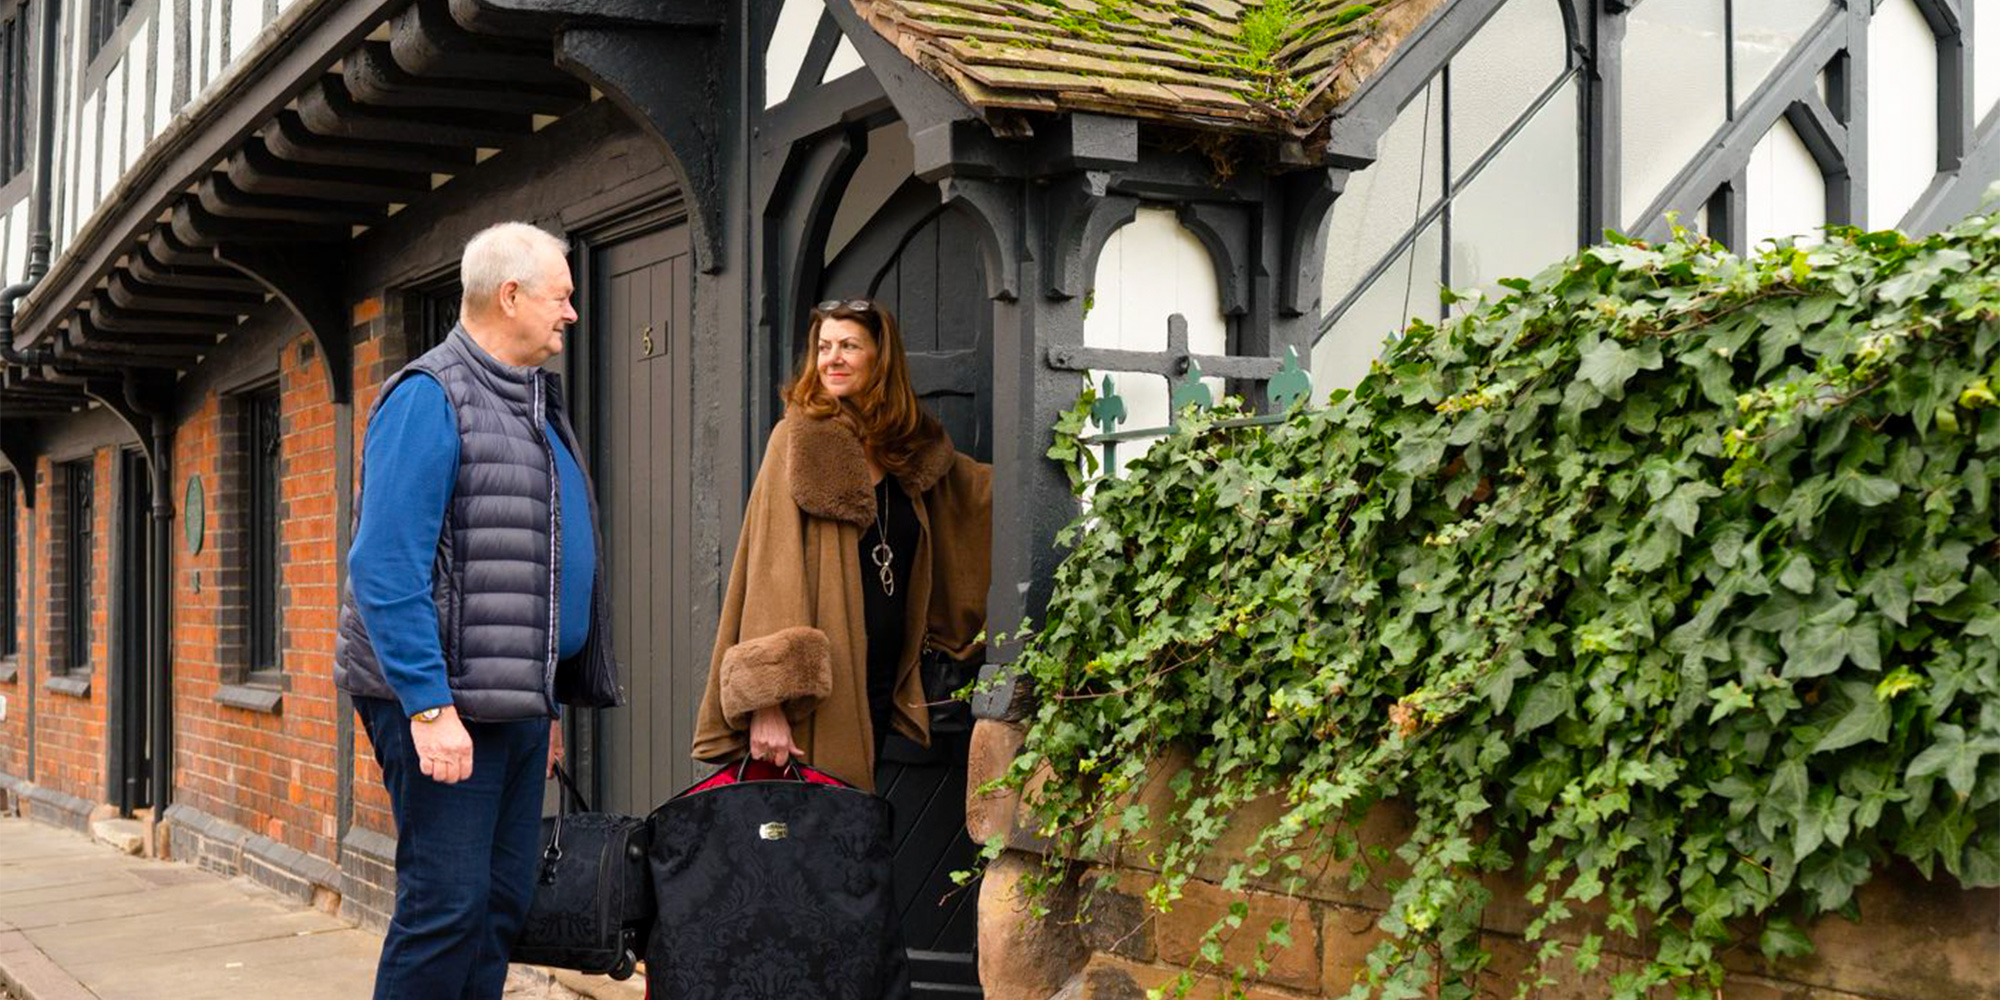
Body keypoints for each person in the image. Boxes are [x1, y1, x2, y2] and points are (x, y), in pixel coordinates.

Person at [335, 221, 618, 1000]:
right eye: (562, 296)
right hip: (446, 704)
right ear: (512, 295)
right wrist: (429, 708)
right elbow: (384, 567)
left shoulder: (529, 402)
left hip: (513, 702)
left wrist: (543, 693)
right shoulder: (431, 396)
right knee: (445, 908)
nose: (570, 313)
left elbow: (533, 562)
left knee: (499, 905)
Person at [692, 298, 991, 791]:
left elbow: (977, 498)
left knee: (856, 826)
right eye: (824, 347)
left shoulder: (908, 448)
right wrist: (768, 702)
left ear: (881, 358)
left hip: (882, 679)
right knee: (814, 834)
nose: (831, 358)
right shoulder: (797, 440)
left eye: (849, 346)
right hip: (820, 687)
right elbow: (770, 569)